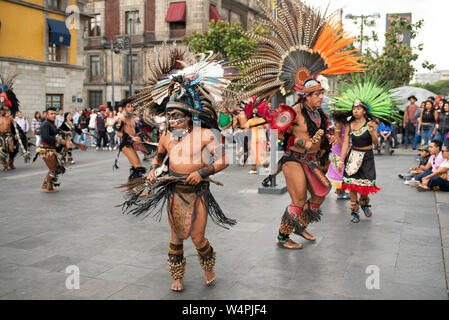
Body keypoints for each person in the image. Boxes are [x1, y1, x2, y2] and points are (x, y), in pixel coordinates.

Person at [234, 0, 365, 248]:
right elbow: (279, 132)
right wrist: (301, 141)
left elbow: (326, 133)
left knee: (319, 195)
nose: (321, 97)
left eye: (322, 94)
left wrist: (332, 138)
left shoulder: (321, 115)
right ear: (306, 96)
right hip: (294, 160)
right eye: (317, 95)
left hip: (313, 161)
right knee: (298, 200)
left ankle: (301, 227)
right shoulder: (292, 111)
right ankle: (282, 237)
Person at [120, 47, 236, 292]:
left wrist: (202, 172)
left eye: (176, 116)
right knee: (176, 237)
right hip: (175, 191)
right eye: (169, 117)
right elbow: (158, 157)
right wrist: (153, 170)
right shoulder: (165, 137)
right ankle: (177, 276)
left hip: (199, 191)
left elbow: (225, 159)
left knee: (197, 238)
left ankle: (208, 266)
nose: (172, 121)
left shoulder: (204, 134)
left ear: (189, 115)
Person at [333, 76, 400, 223]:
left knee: (366, 185)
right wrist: (341, 161)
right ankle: (354, 212)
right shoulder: (349, 125)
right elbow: (345, 144)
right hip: (353, 156)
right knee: (352, 185)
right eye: (354, 108)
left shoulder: (371, 124)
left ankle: (364, 203)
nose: (355, 111)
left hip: (368, 156)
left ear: (364, 111)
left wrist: (373, 133)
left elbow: (376, 144)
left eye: (358, 109)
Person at [113, 102, 146, 193]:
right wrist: (132, 137)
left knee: (137, 165)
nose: (131, 108)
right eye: (128, 107)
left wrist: (138, 137)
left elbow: (134, 132)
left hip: (131, 144)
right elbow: (118, 133)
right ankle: (140, 189)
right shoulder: (122, 119)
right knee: (138, 166)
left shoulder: (132, 119)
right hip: (125, 145)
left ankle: (129, 188)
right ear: (124, 108)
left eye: (132, 106)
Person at [36, 107, 65, 192]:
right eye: (51, 114)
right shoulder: (45, 124)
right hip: (46, 150)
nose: (53, 115)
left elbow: (55, 134)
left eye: (54, 113)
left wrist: (64, 133)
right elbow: (46, 138)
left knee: (57, 168)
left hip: (51, 149)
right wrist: (59, 140)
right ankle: (47, 186)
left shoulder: (51, 123)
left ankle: (47, 184)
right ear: (47, 115)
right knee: (53, 169)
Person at [326, 112, 350, 199]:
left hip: (343, 145)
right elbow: (337, 136)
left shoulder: (345, 121)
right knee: (338, 169)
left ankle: (341, 191)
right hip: (339, 147)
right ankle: (339, 192)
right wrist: (345, 147)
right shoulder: (339, 122)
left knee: (341, 169)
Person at [244, 100, 270, 174]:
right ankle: (266, 168)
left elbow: (246, 128)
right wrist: (264, 132)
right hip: (262, 136)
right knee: (263, 152)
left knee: (254, 152)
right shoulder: (262, 119)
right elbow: (267, 127)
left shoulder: (251, 120)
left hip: (255, 137)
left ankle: (253, 169)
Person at [0, 103, 16, 171]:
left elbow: (15, 127)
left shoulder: (10, 117)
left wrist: (16, 134)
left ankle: (11, 162)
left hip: (9, 135)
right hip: (0, 135)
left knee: (11, 149)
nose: (3, 111)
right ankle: (4, 164)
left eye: (4, 110)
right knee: (1, 151)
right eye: (2, 110)